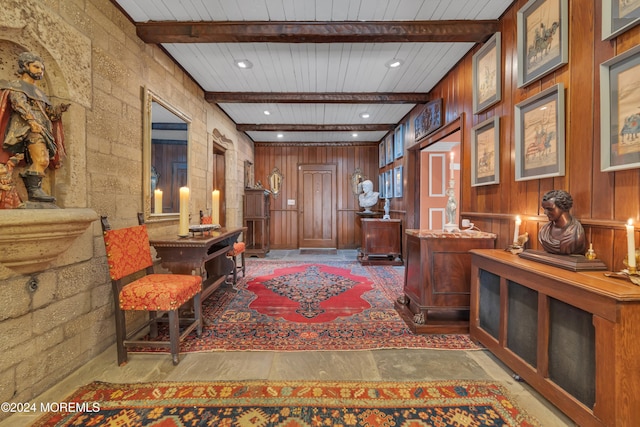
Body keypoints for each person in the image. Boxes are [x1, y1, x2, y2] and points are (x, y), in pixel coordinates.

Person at [0, 52, 69, 203]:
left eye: (42, 68)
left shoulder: (39, 93)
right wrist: (32, 122)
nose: (40, 71)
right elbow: (19, 103)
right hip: (26, 128)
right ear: (25, 66)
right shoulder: (17, 86)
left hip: (41, 127)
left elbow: (47, 112)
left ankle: (34, 190)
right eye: (36, 67)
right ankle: (34, 191)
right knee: (42, 159)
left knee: (41, 159)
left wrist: (58, 110)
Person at [538, 189, 586, 255]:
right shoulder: (544, 232)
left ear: (562, 207)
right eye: (544, 209)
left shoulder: (576, 233)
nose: (545, 213)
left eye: (549, 209)